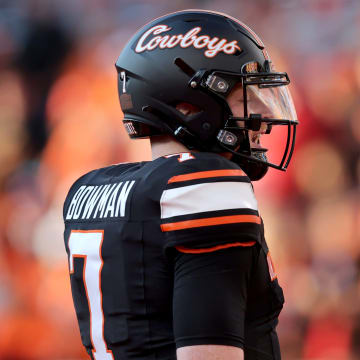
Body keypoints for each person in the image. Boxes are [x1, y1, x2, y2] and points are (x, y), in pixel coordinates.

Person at [63, 9, 298, 360]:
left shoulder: (89, 189)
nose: (262, 118)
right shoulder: (204, 187)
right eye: (244, 96)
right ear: (190, 106)